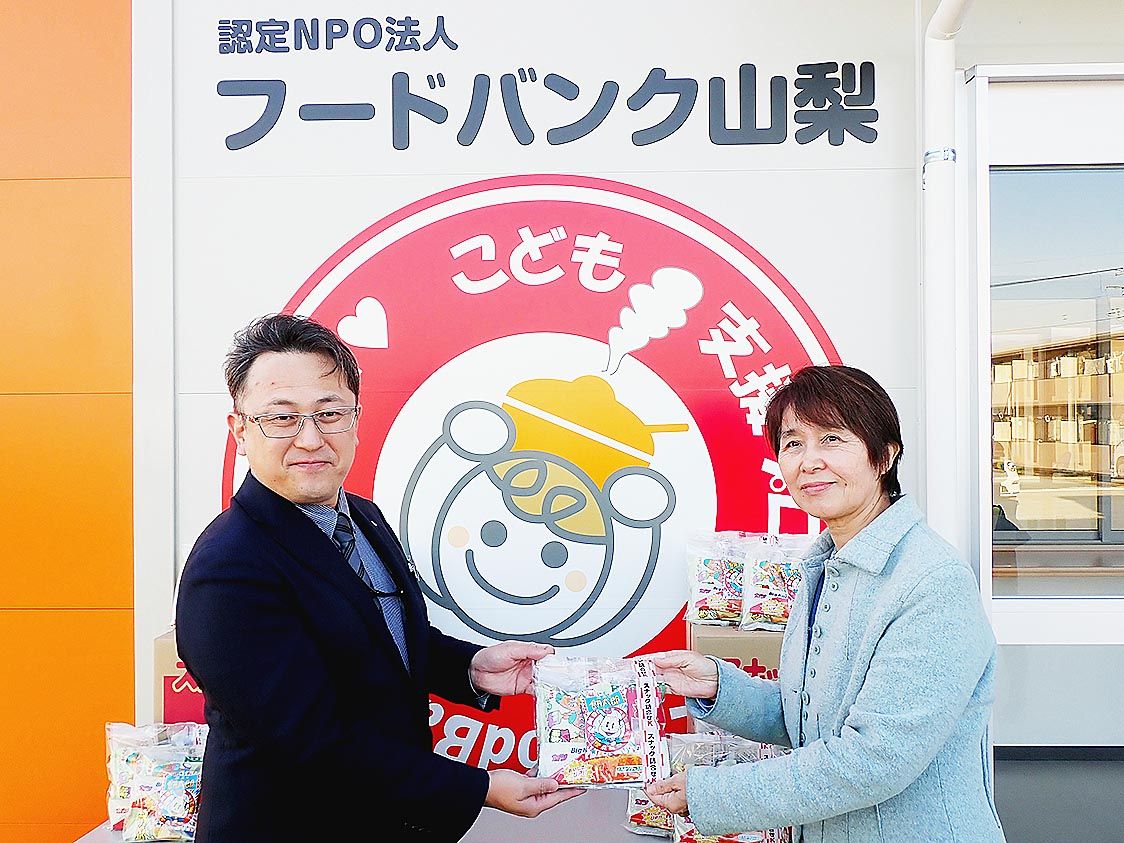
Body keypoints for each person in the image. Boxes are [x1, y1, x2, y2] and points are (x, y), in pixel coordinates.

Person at [175, 314, 579, 841]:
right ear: (241, 432)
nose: (310, 438)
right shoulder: (228, 567)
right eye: (282, 418)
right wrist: (479, 788)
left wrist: (472, 667)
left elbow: (379, 642)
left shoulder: (362, 516)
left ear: (355, 420)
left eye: (329, 413)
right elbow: (311, 740)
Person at [646, 365, 1005, 842]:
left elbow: (874, 760)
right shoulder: (827, 565)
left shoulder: (932, 583)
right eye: (793, 443)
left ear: (885, 455)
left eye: (832, 439)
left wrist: (712, 794)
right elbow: (811, 717)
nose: (809, 461)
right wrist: (719, 687)